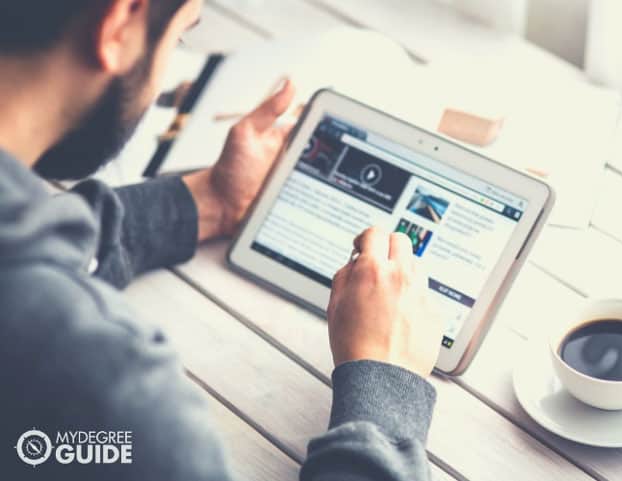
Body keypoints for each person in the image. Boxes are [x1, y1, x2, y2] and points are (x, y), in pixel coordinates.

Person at [0, 1, 444, 479]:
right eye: (180, 36)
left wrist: (208, 201)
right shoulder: (119, 401)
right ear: (118, 23)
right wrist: (384, 388)